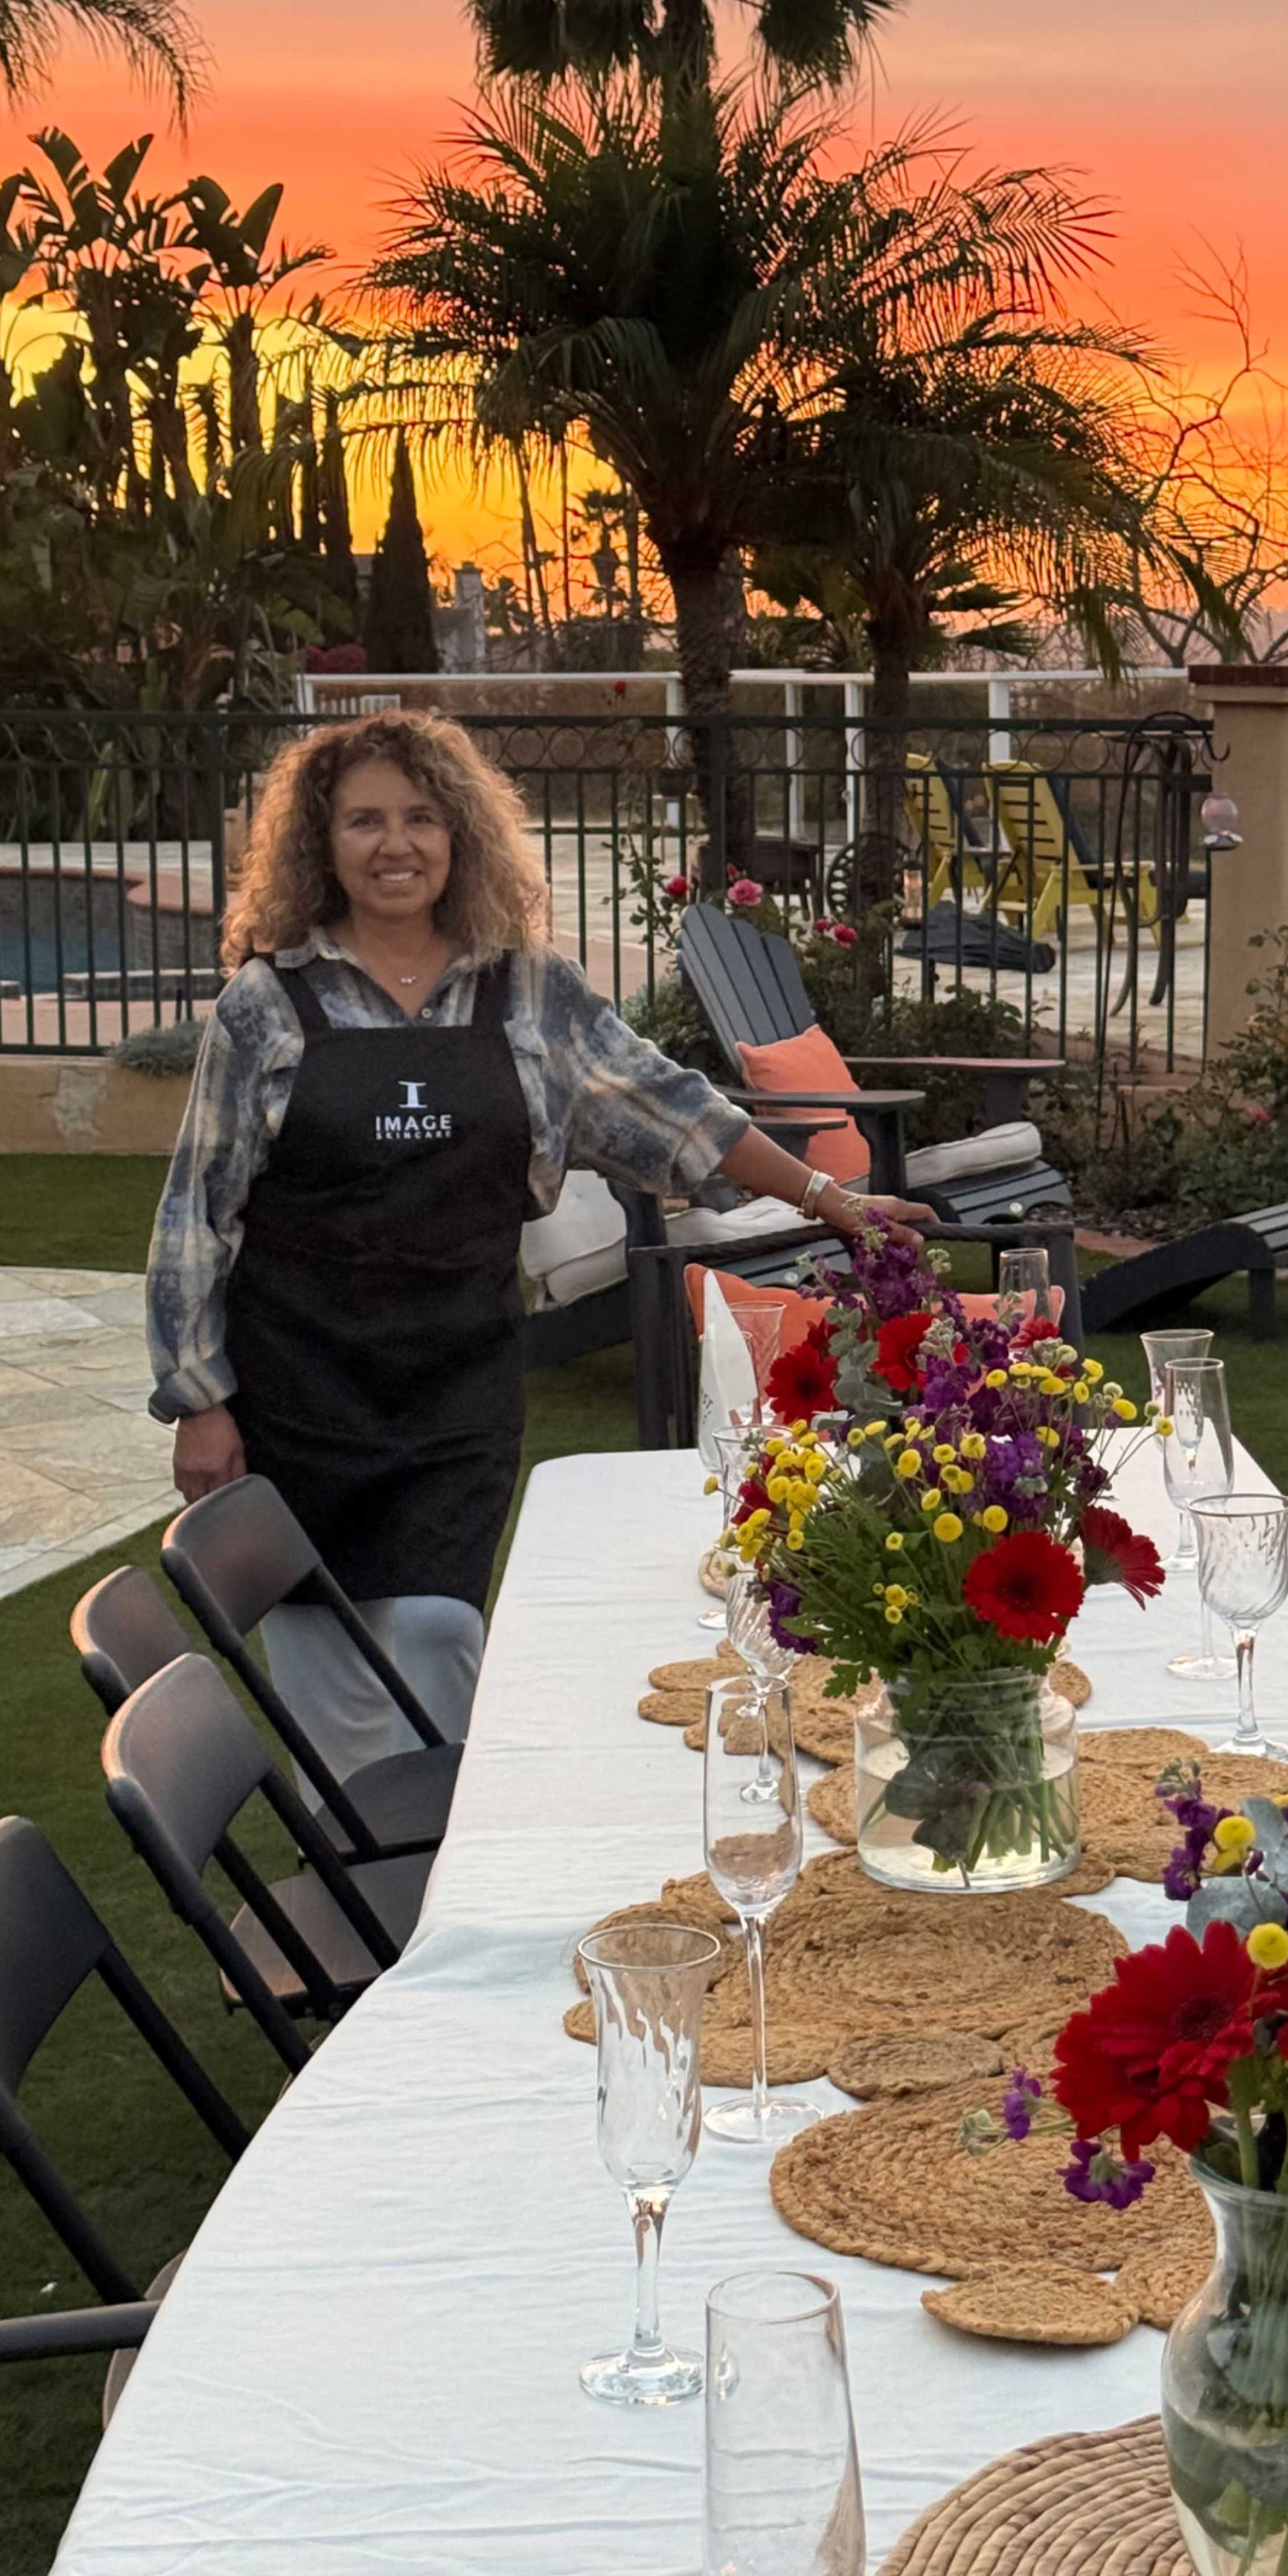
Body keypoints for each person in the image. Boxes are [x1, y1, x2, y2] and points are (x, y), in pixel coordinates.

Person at [146, 708, 925, 1779]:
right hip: (301, 1396)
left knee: (439, 1637)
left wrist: (832, 1200)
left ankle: (446, 1856)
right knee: (326, 1666)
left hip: (456, 1387)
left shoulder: (531, 996)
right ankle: (373, 1895)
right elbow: (198, 1214)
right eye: (364, 821)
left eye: (420, 817)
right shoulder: (266, 1009)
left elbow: (675, 1111)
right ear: (320, 844)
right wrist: (201, 1401)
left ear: (459, 835)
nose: (395, 845)